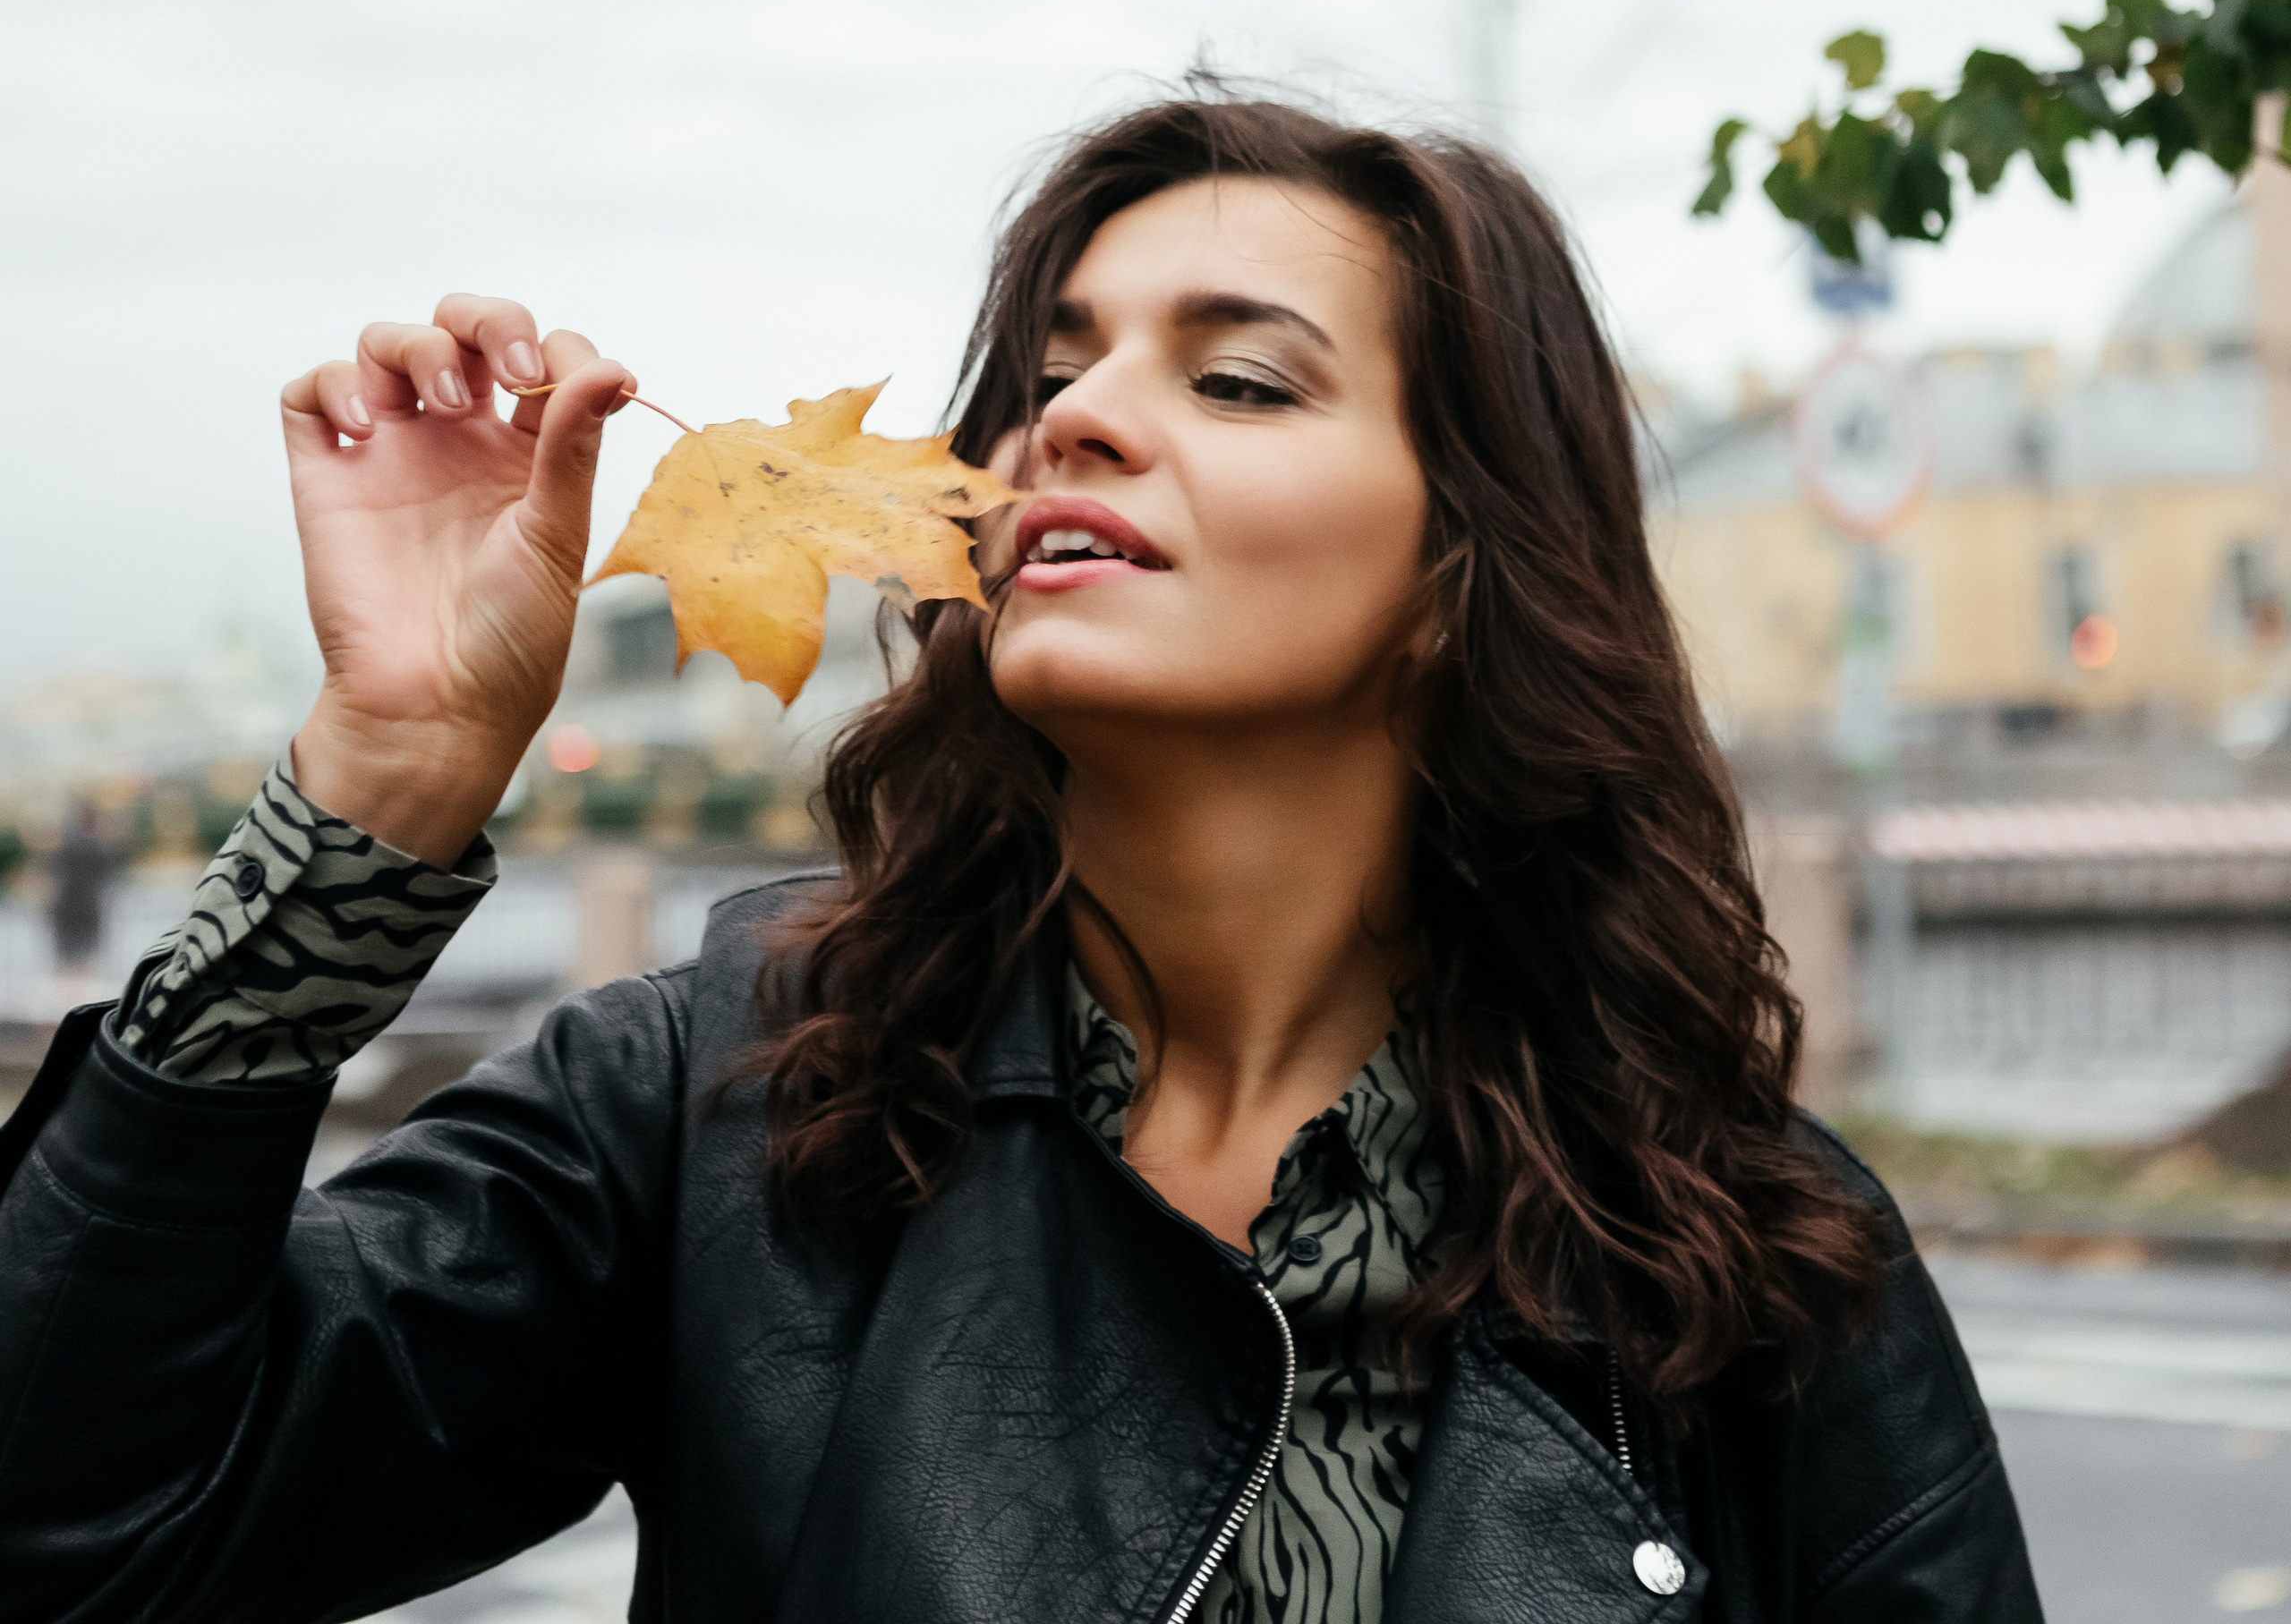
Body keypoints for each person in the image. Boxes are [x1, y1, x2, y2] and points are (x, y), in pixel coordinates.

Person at [0, 91, 2041, 1623]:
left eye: (1234, 374)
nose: (1074, 419)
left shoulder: (1739, 1256)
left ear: (1449, 572)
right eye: (1058, 365)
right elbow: (77, 1518)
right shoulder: (729, 1104)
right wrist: (382, 786)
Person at [45, 796, 119, 985]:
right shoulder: (96, 847)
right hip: (87, 911)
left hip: (64, 911)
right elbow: (103, 880)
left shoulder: (65, 845)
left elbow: (54, 879)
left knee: (65, 969)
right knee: (84, 969)